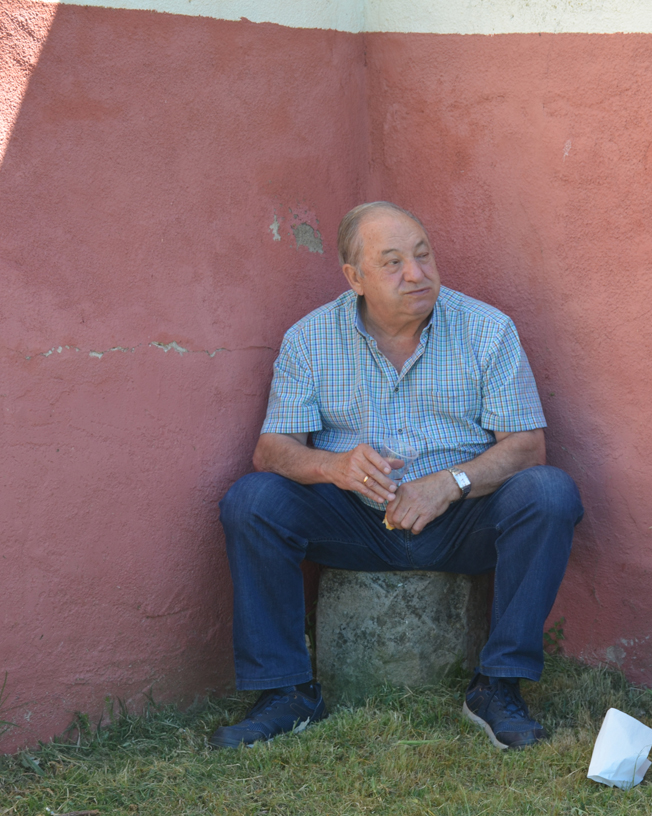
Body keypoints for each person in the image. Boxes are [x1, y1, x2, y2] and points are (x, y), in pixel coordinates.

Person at [211, 201, 583, 751]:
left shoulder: (488, 330)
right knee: (253, 501)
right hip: (354, 521)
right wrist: (333, 466)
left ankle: (498, 686)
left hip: (460, 519)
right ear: (354, 278)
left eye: (423, 255)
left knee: (550, 493)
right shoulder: (310, 338)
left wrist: (448, 484)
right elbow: (272, 451)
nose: (416, 273)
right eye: (392, 263)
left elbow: (528, 448)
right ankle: (286, 693)